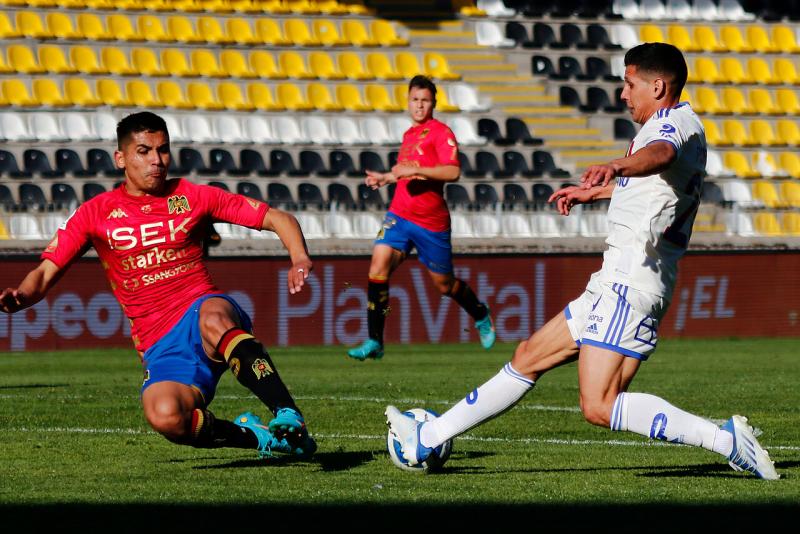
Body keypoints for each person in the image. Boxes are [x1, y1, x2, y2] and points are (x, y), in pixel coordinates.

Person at [386, 44, 779, 480]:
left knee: (599, 405)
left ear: (657, 86)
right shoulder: (675, 125)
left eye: (629, 84)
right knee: (529, 355)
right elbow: (657, 185)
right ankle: (428, 438)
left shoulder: (671, 126)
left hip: (631, 282)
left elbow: (660, 157)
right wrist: (595, 191)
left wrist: (614, 165)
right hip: (617, 280)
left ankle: (726, 441)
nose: (623, 94)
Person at [0, 112, 316, 460]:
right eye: (144, 151)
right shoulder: (95, 213)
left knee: (213, 317)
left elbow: (276, 217)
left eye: (163, 150)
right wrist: (22, 296)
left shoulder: (192, 196)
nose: (157, 160)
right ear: (120, 158)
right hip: (159, 341)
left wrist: (299, 258)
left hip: (201, 308)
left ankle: (287, 413)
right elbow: (44, 274)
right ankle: (259, 438)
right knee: (165, 416)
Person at [347, 75, 495, 361]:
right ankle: (375, 340)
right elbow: (406, 172)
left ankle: (479, 313)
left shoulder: (441, 132)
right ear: (408, 101)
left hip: (430, 222)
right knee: (378, 265)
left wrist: (414, 172)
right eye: (415, 99)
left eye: (425, 100)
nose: (419, 105)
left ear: (433, 103)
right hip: (399, 215)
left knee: (444, 285)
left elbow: (452, 172)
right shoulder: (409, 135)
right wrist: (387, 178)